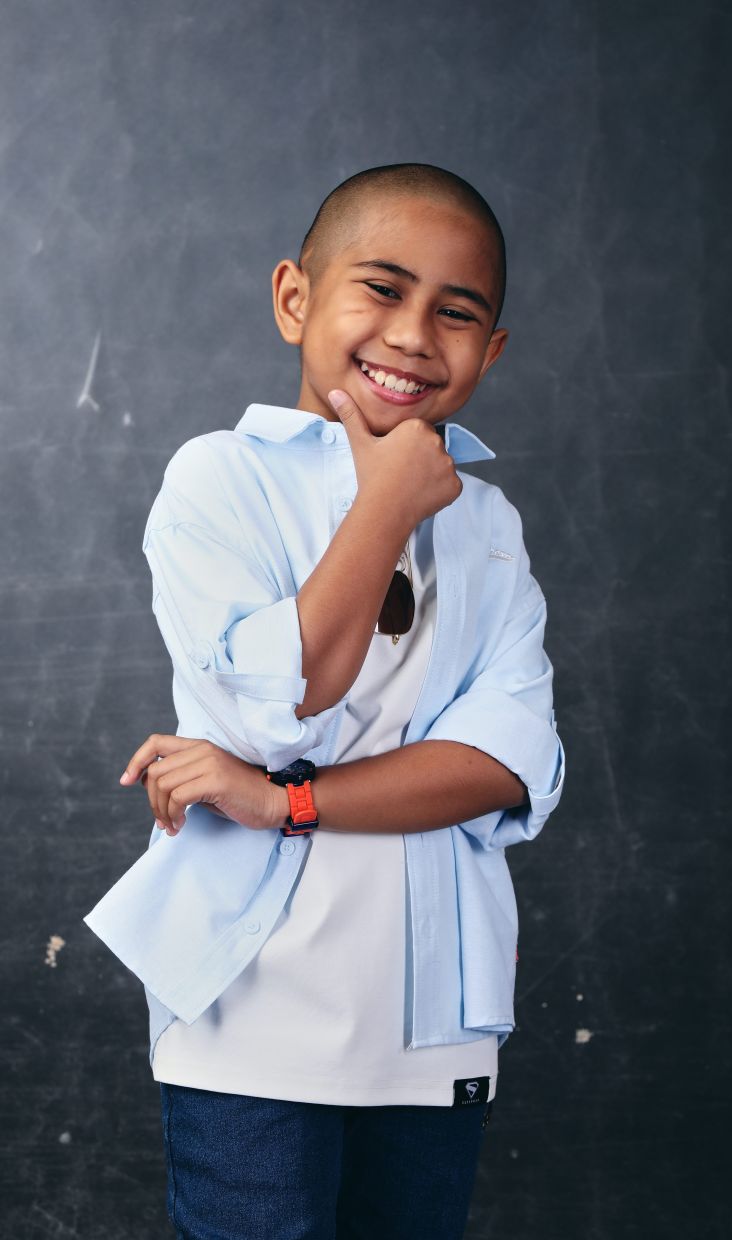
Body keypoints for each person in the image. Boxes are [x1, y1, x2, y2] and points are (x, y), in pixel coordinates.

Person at [84, 162, 566, 1240]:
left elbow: (503, 764)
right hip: (251, 1017)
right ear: (296, 298)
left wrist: (281, 801)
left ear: (487, 354)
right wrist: (386, 501)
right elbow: (278, 707)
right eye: (382, 289)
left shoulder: (490, 528)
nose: (411, 333)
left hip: (432, 1026)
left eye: (455, 312)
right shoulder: (219, 480)